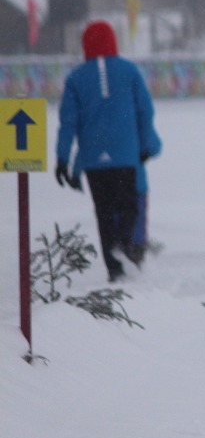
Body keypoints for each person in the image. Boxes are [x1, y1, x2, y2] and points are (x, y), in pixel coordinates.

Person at [55, 20, 162, 282]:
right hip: (125, 155)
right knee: (128, 206)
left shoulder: (76, 79)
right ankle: (124, 246)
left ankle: (114, 270)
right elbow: (145, 111)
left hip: (93, 160)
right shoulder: (129, 71)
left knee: (103, 211)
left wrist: (62, 159)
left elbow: (68, 122)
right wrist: (147, 147)